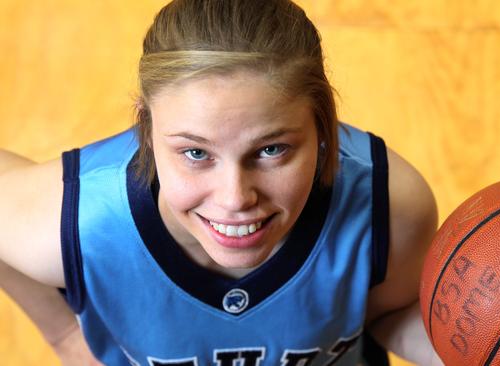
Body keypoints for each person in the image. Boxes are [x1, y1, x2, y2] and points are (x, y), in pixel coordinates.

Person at [0, 0, 442, 364]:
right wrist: (63, 335)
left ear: (323, 125)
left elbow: (386, 312)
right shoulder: (78, 223)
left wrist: (473, 344)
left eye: (272, 150)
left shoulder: (389, 207)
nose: (235, 198)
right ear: (147, 130)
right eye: (195, 153)